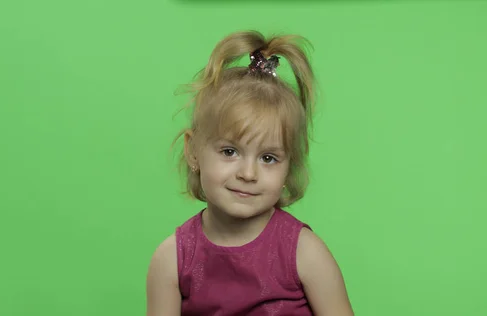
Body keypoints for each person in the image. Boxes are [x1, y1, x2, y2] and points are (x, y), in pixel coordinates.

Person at [146, 30, 354, 316]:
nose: (248, 173)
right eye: (229, 151)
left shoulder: (304, 253)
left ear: (288, 167)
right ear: (193, 151)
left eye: (268, 158)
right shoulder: (172, 259)